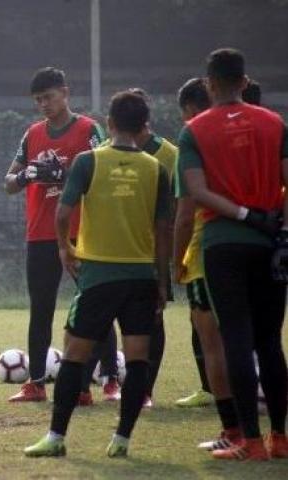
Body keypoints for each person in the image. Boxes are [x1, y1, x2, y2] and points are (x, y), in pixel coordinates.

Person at [24, 91, 170, 458]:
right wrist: (162, 280)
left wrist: (63, 248)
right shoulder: (157, 169)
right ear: (143, 126)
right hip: (141, 277)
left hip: (99, 276)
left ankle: (56, 437)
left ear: (110, 122)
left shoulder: (89, 161)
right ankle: (121, 439)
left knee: (74, 354)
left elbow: (61, 213)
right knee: (136, 359)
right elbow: (164, 229)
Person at [181, 48, 288, 461]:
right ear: (245, 82)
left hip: (223, 243)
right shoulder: (274, 123)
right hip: (269, 245)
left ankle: (251, 441)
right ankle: (280, 436)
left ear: (209, 84)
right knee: (270, 342)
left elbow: (198, 190)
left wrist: (243, 213)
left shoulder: (196, 129)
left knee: (237, 340)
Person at [3, 67, 105, 403]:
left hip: (82, 233)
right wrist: (29, 175)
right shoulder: (32, 134)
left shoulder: (89, 130)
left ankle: (102, 382)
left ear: (65, 92)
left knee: (94, 305)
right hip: (40, 235)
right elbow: (8, 183)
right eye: (38, 100)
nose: (43, 104)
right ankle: (35, 383)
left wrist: (68, 173)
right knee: (41, 308)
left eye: (48, 97)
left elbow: (103, 174)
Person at [173, 77, 243, 452]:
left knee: (214, 344)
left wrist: (174, 262)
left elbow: (185, 214)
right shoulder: (257, 131)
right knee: (255, 340)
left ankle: (233, 431)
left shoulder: (195, 138)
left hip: (208, 252)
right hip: (259, 245)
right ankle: (273, 433)